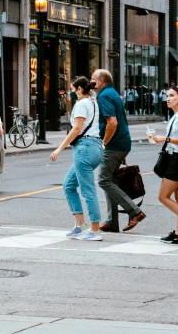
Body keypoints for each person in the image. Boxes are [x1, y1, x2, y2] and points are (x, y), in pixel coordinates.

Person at [91, 69, 146, 233]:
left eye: (93, 79)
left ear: (101, 81)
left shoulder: (104, 95)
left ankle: (135, 212)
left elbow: (112, 122)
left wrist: (104, 143)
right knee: (110, 180)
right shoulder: (113, 93)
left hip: (114, 144)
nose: (91, 82)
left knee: (103, 180)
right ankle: (111, 221)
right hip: (121, 143)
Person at [50, 77, 104, 241]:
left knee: (88, 191)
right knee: (69, 185)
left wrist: (59, 148)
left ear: (80, 89)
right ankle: (79, 225)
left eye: (73, 90)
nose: (72, 93)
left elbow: (77, 129)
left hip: (84, 148)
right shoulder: (93, 102)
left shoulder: (81, 104)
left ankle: (95, 230)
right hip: (94, 146)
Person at [150, 86, 178, 244]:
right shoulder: (174, 116)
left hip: (176, 160)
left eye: (172, 95)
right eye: (167, 95)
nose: (168, 98)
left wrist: (165, 139)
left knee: (163, 196)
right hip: (173, 157)